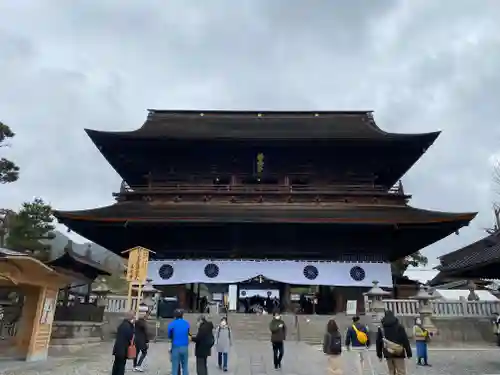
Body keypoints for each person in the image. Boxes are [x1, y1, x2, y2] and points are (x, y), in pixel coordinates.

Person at [376, 310, 412, 375]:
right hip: (399, 352)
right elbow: (405, 340)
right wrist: (409, 353)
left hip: (388, 352)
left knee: (391, 371)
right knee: (401, 371)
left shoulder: (381, 328)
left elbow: (378, 342)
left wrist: (379, 355)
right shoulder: (399, 326)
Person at [167, 309, 190, 375]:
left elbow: (169, 335)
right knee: (185, 367)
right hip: (185, 347)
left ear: (175, 316)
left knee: (175, 368)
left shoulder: (172, 324)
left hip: (175, 347)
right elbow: (187, 333)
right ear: (182, 315)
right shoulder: (186, 323)